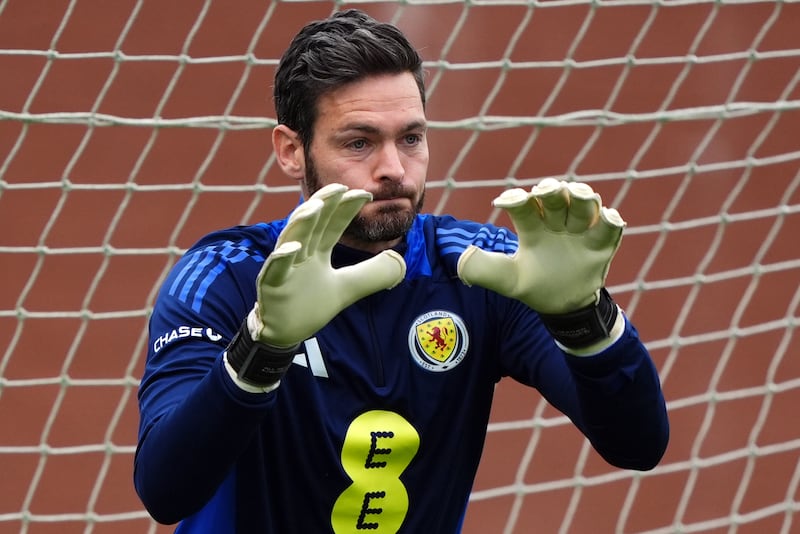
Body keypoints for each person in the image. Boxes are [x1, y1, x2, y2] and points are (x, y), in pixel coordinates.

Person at [134, 9, 669, 533]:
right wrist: (264, 347)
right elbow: (165, 489)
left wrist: (584, 317)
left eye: (410, 138)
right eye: (359, 142)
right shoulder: (224, 276)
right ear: (292, 150)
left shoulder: (479, 270)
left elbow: (638, 444)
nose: (393, 168)